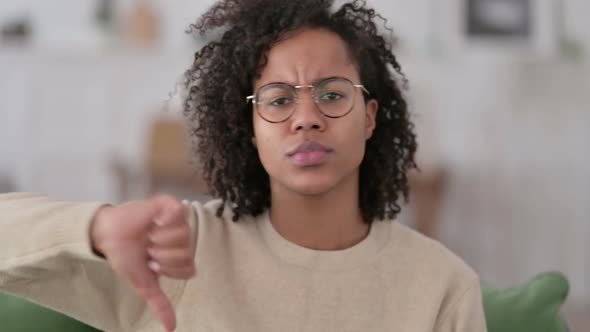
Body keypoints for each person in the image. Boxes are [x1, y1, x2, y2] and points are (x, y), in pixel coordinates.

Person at [0, 0, 487, 331]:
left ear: (370, 118)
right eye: (277, 101)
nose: (306, 120)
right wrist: (97, 227)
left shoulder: (442, 285)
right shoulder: (174, 251)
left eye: (332, 95)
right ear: (249, 127)